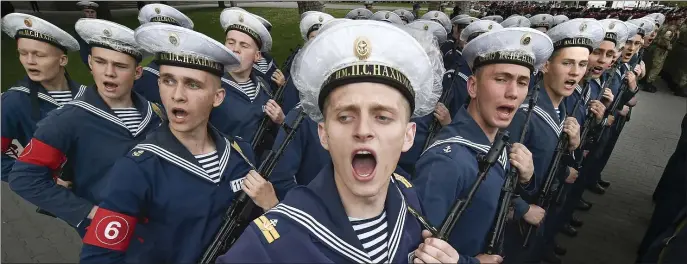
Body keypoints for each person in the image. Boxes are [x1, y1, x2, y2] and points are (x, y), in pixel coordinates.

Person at [216, 20, 461, 264]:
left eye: (383, 117)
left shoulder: (409, 202)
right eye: (345, 116)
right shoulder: (270, 246)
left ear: (408, 135)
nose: (363, 130)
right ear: (323, 133)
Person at [79, 22, 279, 263]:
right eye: (169, 81)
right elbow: (98, 256)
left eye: (192, 84)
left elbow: (260, 229)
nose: (177, 95)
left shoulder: (240, 153)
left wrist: (273, 208)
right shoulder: (138, 168)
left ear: (218, 97)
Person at [8, 18, 163, 237]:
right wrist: (87, 212)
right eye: (101, 62)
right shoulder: (65, 120)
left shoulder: (156, 112)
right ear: (90, 63)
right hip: (112, 235)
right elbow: (24, 178)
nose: (109, 72)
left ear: (137, 72)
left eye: (119, 65)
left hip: (161, 225)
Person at [413, 27, 553, 264]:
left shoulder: (497, 141)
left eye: (522, 82)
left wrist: (527, 180)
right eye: (501, 79)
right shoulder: (447, 161)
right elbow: (416, 249)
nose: (512, 93)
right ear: (473, 87)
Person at [505, 19, 602, 264]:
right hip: (513, 224)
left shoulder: (561, 106)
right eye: (567, 63)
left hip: (542, 208)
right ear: (546, 65)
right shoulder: (524, 114)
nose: (575, 72)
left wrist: (573, 146)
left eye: (581, 64)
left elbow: (547, 157)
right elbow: (495, 169)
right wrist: (521, 208)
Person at [1, 13, 86, 179]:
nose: (29, 61)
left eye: (39, 55)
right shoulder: (13, 101)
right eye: (23, 53)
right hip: (63, 199)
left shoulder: (87, 95)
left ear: (62, 60)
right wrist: (43, 180)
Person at [215, 8, 285, 161]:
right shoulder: (212, 88)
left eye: (244, 45)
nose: (235, 49)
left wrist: (281, 121)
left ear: (257, 56)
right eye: (230, 42)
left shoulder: (264, 88)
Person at [132, 3, 195, 105]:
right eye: (157, 34)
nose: (163, 40)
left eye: (169, 35)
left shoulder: (194, 71)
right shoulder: (142, 81)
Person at [74, 1, 99, 67]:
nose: (90, 14)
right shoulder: (80, 26)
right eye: (87, 12)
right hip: (88, 55)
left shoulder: (100, 25)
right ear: (82, 13)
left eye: (92, 12)